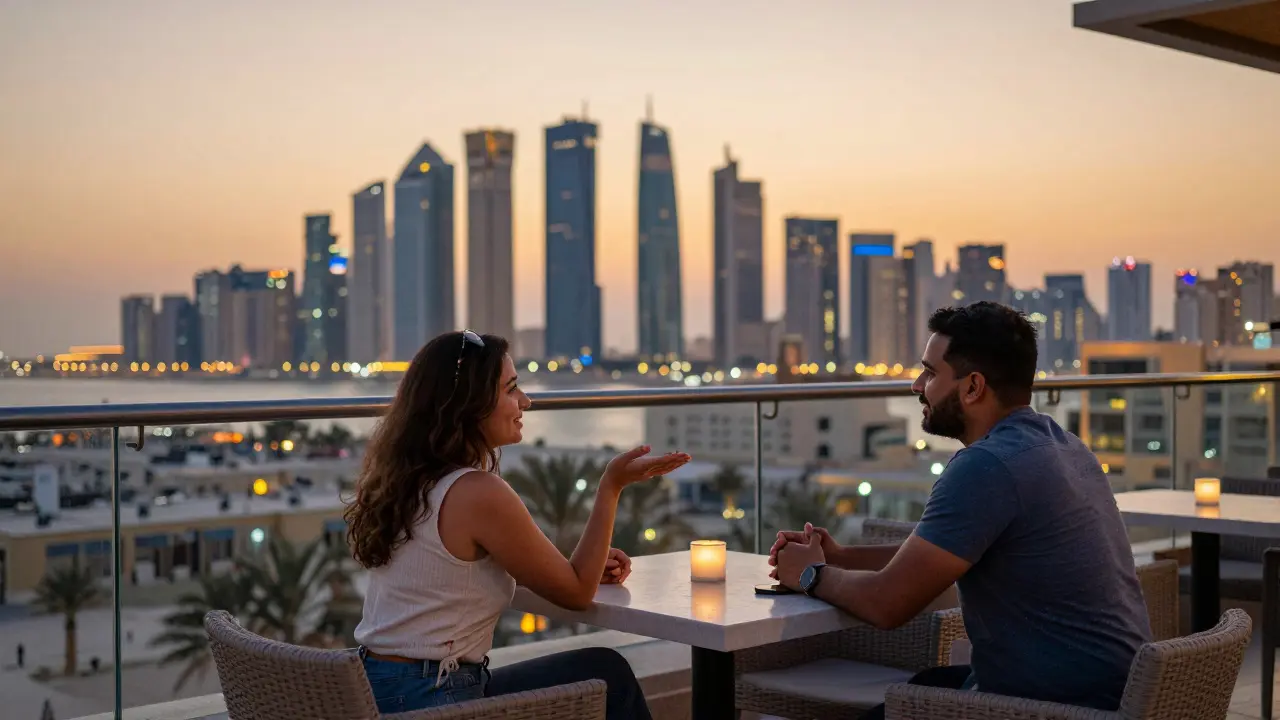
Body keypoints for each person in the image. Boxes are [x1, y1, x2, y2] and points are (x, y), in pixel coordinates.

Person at [770, 302, 1151, 717]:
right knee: (917, 687)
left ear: (973, 387)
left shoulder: (987, 466)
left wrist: (810, 575)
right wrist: (841, 557)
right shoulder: (1065, 447)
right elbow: (944, 554)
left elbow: (887, 604)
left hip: (1053, 706)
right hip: (1115, 693)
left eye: (931, 373)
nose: (917, 386)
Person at [345, 330, 690, 718]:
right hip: (434, 698)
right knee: (607, 674)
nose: (525, 401)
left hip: (379, 688)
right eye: (511, 389)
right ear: (468, 403)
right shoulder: (476, 491)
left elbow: (453, 579)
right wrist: (611, 486)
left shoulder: (410, 482)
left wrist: (582, 569)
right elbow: (575, 594)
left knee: (601, 670)